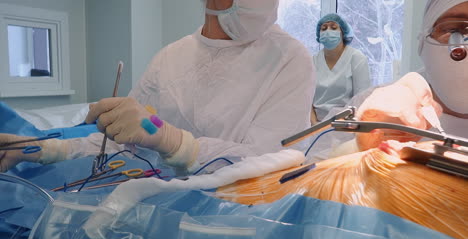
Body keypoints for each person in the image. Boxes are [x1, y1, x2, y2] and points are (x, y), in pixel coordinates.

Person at [0, 0, 315, 173]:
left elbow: (275, 162)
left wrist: (175, 142)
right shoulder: (171, 58)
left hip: (235, 219)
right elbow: (134, 138)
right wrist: (42, 149)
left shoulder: (287, 58)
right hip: (158, 207)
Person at [338, 0, 468, 154]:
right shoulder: (379, 106)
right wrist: (364, 148)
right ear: (424, 42)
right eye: (453, 30)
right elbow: (314, 166)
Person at [312, 13, 371, 123]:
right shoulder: (313, 61)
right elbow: (306, 98)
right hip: (317, 124)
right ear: (319, 35)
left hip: (345, 124)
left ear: (343, 33)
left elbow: (361, 99)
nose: (328, 31)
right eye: (323, 29)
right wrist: (314, 124)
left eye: (333, 28)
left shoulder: (356, 59)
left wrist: (345, 125)